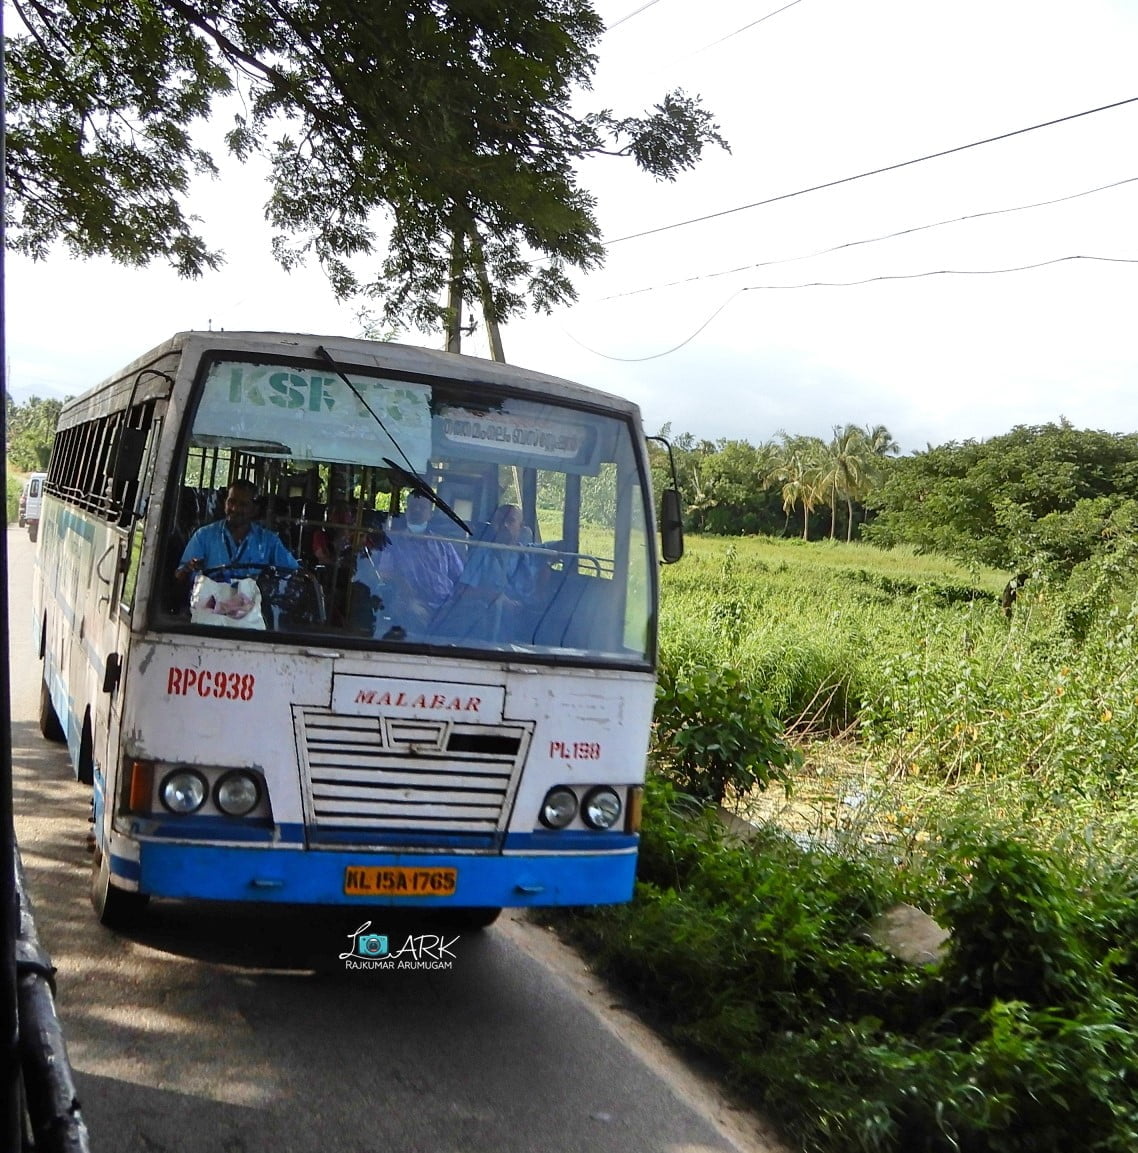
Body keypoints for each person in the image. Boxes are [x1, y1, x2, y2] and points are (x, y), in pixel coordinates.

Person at [358, 493, 463, 634]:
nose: (417, 510)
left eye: (422, 507)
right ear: (406, 512)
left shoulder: (443, 544)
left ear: (430, 514)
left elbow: (460, 576)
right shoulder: (393, 543)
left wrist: (456, 602)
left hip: (445, 604)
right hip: (412, 601)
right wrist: (404, 587)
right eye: (413, 506)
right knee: (413, 616)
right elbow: (385, 574)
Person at [176, 478, 298, 583]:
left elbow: (293, 573)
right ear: (225, 503)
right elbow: (179, 577)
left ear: (254, 509)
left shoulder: (268, 541)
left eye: (243, 504)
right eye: (231, 502)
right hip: (210, 607)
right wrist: (188, 569)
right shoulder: (203, 536)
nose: (235, 508)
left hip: (253, 608)